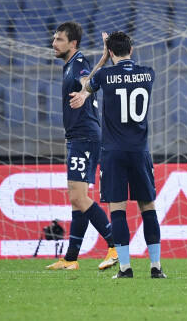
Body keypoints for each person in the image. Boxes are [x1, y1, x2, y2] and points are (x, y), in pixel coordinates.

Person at [70, 31, 166, 279]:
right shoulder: (148, 73)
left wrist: (102, 59)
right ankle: (155, 268)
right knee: (148, 208)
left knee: (118, 210)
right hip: (140, 151)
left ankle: (125, 268)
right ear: (131, 50)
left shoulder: (104, 74)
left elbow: (85, 85)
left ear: (110, 51)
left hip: (113, 153)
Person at [45, 21, 118, 271]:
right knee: (79, 200)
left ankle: (114, 245)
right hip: (79, 136)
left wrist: (85, 91)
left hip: (84, 136)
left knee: (77, 196)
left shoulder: (77, 63)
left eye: (58, 39)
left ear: (72, 43)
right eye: (54, 39)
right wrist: (103, 60)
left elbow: (87, 78)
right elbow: (91, 76)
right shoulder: (71, 64)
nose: (53, 43)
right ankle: (71, 258)